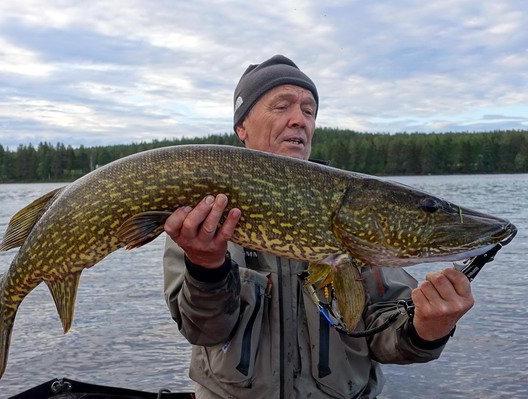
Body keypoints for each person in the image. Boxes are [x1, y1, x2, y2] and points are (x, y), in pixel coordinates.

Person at [162, 55, 474, 398]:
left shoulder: (357, 216)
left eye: (309, 111)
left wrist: (428, 328)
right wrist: (206, 267)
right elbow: (203, 330)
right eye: (282, 106)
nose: (299, 120)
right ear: (242, 127)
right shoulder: (199, 213)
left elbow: (387, 337)